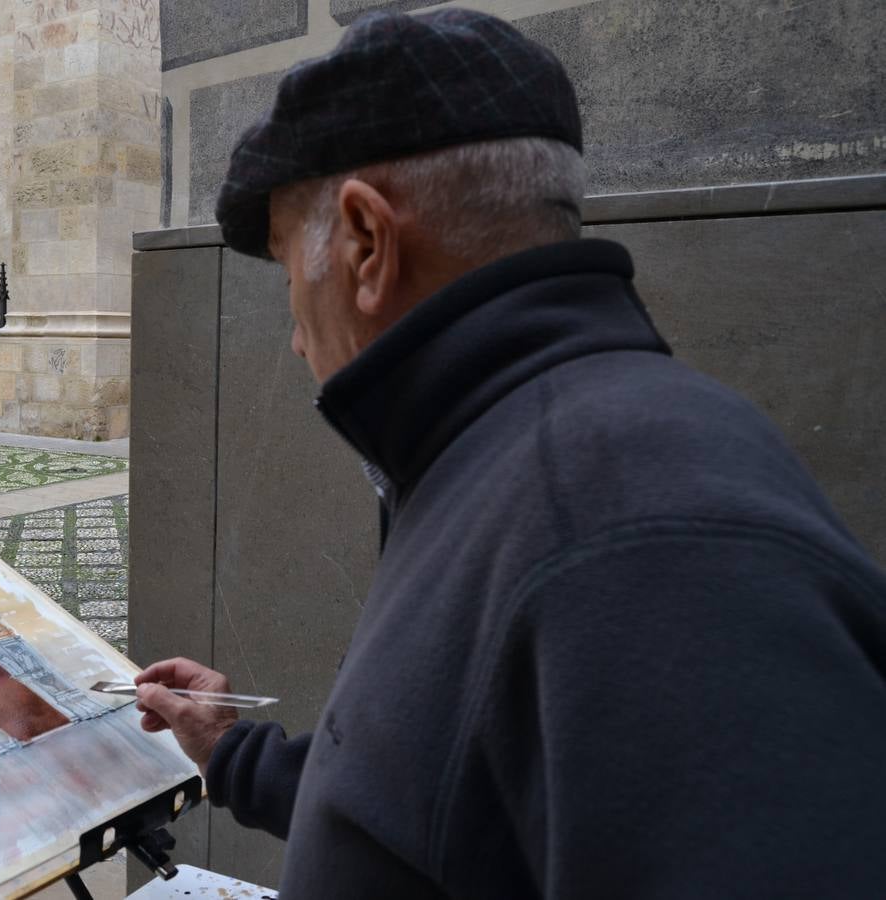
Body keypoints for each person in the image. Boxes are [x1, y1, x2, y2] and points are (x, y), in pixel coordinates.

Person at [133, 8, 886, 898]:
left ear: (368, 243)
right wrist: (230, 753)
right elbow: (438, 794)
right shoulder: (498, 454)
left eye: (293, 276)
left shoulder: (643, 532)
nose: (297, 338)